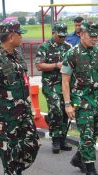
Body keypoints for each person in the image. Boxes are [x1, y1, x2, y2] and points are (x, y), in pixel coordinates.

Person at [0, 20, 40, 175]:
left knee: (32, 143)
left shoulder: (17, 54)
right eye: (20, 34)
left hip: (23, 110)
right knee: (8, 148)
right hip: (6, 114)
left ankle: (16, 170)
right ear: (12, 36)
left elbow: (24, 80)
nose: (22, 37)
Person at [61, 20, 98, 175]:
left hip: (97, 101)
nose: (94, 39)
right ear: (81, 34)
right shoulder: (71, 54)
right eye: (91, 36)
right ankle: (90, 171)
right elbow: (65, 81)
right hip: (80, 102)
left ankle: (78, 158)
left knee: (93, 134)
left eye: (96, 36)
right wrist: (67, 104)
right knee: (87, 135)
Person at [35, 22, 72, 154]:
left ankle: (62, 139)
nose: (62, 38)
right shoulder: (45, 47)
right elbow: (39, 66)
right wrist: (56, 65)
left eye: (64, 36)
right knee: (55, 108)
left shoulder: (68, 47)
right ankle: (55, 139)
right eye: (59, 36)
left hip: (65, 84)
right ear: (53, 33)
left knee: (64, 109)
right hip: (50, 84)